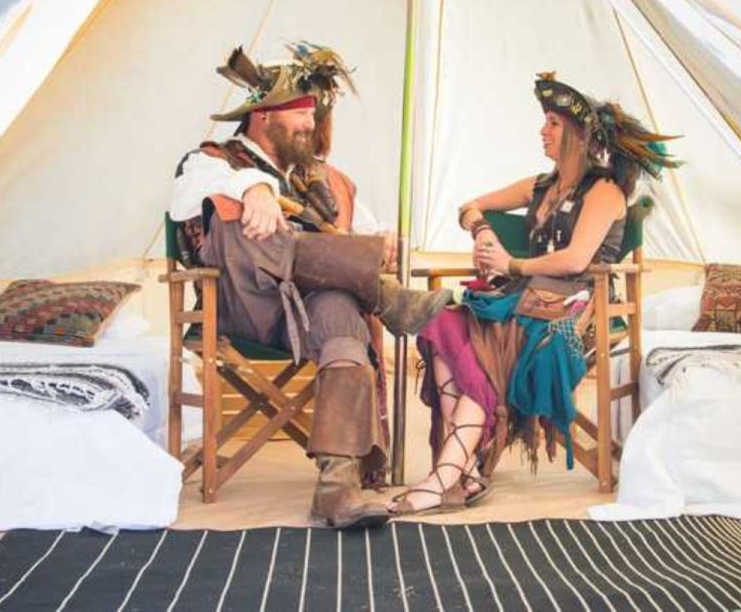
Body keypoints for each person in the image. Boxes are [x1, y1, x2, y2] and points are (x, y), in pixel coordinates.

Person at [168, 43, 452, 529]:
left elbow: (360, 231)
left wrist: (379, 240)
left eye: (311, 115)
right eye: (300, 115)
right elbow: (182, 203)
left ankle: (337, 491)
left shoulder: (323, 178)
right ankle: (390, 300)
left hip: (305, 310)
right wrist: (252, 189)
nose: (310, 125)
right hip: (245, 306)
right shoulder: (213, 160)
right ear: (262, 117)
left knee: (342, 315)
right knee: (247, 226)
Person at [391, 73, 679, 515]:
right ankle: (461, 471)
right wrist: (483, 229)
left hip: (568, 312)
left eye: (553, 124)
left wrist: (513, 264)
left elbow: (575, 260)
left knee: (488, 350)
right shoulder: (539, 186)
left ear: (580, 135)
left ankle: (445, 475)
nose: (542, 131)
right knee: (444, 322)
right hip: (518, 300)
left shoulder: (604, 192)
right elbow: (469, 205)